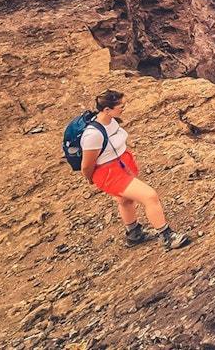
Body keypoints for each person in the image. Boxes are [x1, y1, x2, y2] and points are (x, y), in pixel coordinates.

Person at [80, 89, 191, 250]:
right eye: (121, 106)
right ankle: (167, 236)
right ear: (107, 110)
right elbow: (86, 165)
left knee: (125, 200)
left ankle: (134, 234)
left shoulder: (111, 120)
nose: (124, 108)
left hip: (122, 165)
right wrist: (90, 179)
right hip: (110, 174)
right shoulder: (93, 135)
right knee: (150, 197)